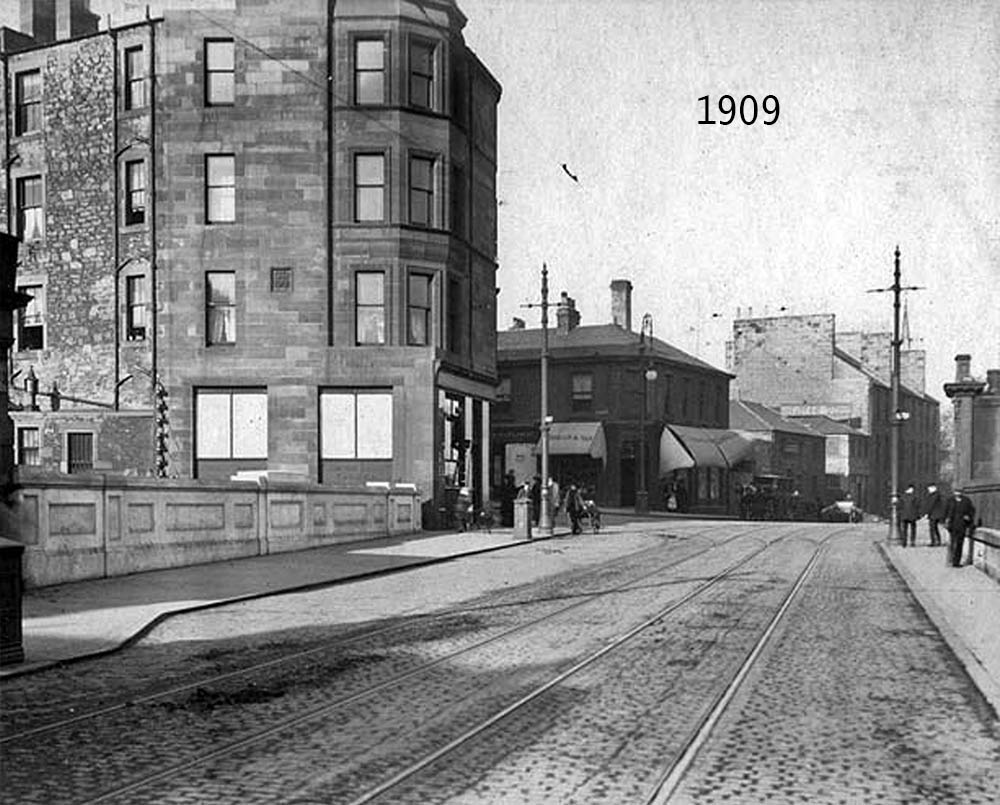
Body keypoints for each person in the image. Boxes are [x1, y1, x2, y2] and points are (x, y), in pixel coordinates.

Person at [942, 487, 976, 567]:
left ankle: (956, 562)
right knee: (952, 543)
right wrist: (944, 521)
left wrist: (968, 517)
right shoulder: (950, 500)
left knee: (959, 543)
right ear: (954, 492)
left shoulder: (966, 501)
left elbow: (971, 511)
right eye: (956, 492)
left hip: (962, 525)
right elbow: (945, 511)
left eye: (959, 492)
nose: (958, 493)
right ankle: (950, 560)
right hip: (952, 525)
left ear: (962, 492)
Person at [923, 483, 945, 547]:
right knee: (935, 528)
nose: (928, 490)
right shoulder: (936, 494)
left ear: (933, 488)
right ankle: (938, 541)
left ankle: (934, 542)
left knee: (932, 528)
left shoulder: (934, 495)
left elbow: (931, 505)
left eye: (929, 488)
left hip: (934, 514)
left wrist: (927, 513)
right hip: (935, 514)